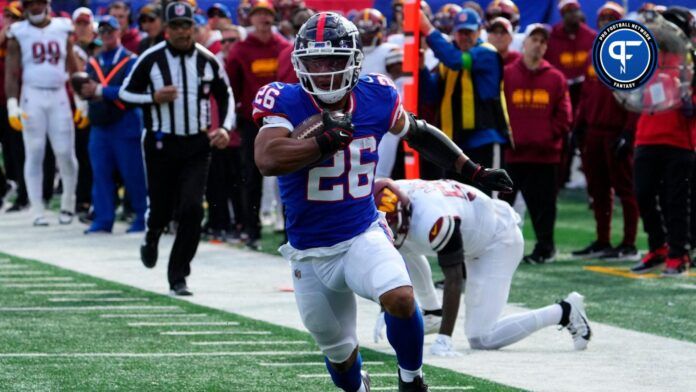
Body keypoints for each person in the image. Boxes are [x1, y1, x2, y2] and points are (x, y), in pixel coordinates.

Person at [253, 12, 512, 392]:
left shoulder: (376, 94)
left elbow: (418, 133)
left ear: (355, 60)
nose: (324, 72)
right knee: (339, 353)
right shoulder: (285, 99)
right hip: (309, 252)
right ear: (300, 63)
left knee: (401, 297)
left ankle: (411, 379)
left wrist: (472, 170)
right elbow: (267, 159)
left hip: (361, 232)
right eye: (315, 62)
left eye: (333, 61)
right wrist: (321, 142)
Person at [372, 178, 592, 356]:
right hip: (474, 226)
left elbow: (455, 278)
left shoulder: (435, 220)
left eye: (393, 224)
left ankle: (565, 311)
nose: (391, 230)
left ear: (404, 210)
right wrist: (386, 305)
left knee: (481, 338)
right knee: (400, 245)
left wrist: (445, 339)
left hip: (497, 241)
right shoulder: (394, 193)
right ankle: (432, 312)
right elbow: (401, 251)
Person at [119, 1, 234, 295]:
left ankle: (178, 275)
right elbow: (125, 93)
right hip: (161, 142)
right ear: (167, 29)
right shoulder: (151, 58)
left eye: (187, 26)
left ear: (194, 28)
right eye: (177, 26)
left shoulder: (208, 60)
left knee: (193, 209)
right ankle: (152, 233)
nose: (183, 32)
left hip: (197, 143)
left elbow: (227, 95)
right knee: (161, 208)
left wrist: (224, 128)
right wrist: (152, 98)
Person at [570, 2, 640, 261]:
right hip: (594, 131)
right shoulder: (594, 54)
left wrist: (629, 131)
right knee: (597, 189)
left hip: (616, 130)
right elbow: (587, 96)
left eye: (612, 20)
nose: (606, 24)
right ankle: (603, 239)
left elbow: (636, 98)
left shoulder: (630, 54)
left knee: (625, 188)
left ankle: (629, 243)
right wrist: (578, 126)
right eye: (602, 20)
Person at [500, 24, 572, 264]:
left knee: (543, 208)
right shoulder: (507, 74)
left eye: (543, 41)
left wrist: (542, 138)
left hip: (544, 156)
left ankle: (545, 249)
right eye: (535, 39)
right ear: (524, 42)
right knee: (503, 207)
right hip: (514, 155)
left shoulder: (556, 78)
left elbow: (564, 117)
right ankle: (499, 247)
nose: (539, 45)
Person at [419, 8, 511, 195]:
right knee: (456, 204)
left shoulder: (486, 53)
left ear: (479, 31)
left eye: (469, 32)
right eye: (461, 32)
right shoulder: (449, 60)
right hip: (455, 147)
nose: (465, 37)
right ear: (455, 33)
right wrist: (421, 69)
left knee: (490, 203)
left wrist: (428, 30)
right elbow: (431, 96)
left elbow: (456, 61)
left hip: (484, 140)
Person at [5, 0, 79, 226]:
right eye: (29, 4)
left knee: (65, 152)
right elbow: (12, 70)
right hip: (32, 94)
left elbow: (72, 65)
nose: (34, 8)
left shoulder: (62, 27)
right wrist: (12, 103)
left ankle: (68, 201)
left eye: (38, 2)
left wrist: (79, 99)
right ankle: (37, 208)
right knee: (34, 151)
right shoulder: (18, 31)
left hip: (58, 94)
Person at [225, 0, 290, 251]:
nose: (263, 19)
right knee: (251, 176)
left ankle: (288, 229)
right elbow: (232, 85)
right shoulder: (241, 50)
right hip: (253, 122)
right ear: (250, 19)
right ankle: (251, 229)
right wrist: (240, 112)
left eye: (267, 14)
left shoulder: (283, 46)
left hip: (284, 119)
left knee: (286, 175)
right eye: (258, 14)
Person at [77, 15, 146, 234]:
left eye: (111, 30)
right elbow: (88, 87)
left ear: (119, 32)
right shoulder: (94, 61)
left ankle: (142, 217)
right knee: (100, 174)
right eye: (103, 31)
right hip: (100, 126)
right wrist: (86, 92)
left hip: (125, 123)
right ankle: (103, 219)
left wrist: (100, 91)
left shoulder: (131, 60)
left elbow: (133, 91)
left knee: (133, 174)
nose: (106, 35)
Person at [0, 0, 28, 212]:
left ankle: (23, 195)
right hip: (2, 102)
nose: (9, 22)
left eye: (14, 18)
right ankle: (4, 187)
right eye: (7, 16)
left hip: (19, 102)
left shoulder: (23, 40)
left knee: (18, 152)